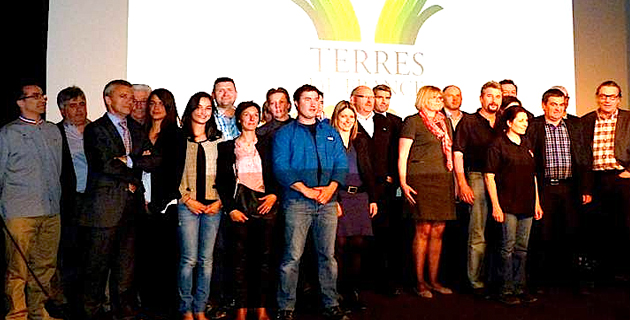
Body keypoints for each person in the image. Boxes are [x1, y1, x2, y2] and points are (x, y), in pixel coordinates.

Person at [78, 79, 160, 320]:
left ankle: (123, 312)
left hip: (131, 209)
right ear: (108, 99)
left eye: (132, 97)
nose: (131, 101)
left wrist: (130, 160)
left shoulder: (136, 127)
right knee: (97, 266)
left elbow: (155, 159)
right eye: (124, 96)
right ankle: (90, 312)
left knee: (126, 266)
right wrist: (133, 175)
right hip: (105, 209)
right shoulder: (95, 129)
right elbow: (104, 164)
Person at [273, 84, 348, 320]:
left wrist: (332, 188)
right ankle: (286, 307)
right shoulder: (286, 133)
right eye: (307, 99)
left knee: (328, 257)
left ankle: (331, 304)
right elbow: (281, 167)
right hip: (297, 203)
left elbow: (341, 164)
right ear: (296, 104)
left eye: (316, 99)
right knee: (292, 257)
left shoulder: (330, 131)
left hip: (327, 202)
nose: (313, 103)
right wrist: (306, 190)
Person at [1, 83, 63, 320]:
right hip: (19, 211)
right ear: (20, 102)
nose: (42, 100)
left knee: (45, 265)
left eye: (43, 96)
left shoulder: (52, 130)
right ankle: (17, 313)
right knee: (18, 268)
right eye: (35, 96)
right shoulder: (8, 133)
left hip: (50, 209)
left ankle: (38, 310)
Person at [526, 89, 592, 293]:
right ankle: (541, 281)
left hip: (570, 188)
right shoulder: (534, 125)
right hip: (544, 188)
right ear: (544, 105)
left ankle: (573, 281)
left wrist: (586, 188)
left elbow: (584, 157)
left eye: (561, 104)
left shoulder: (574, 124)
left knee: (571, 234)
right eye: (553, 104)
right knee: (543, 235)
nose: (557, 108)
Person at [216, 101, 278, 320]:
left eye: (255, 114)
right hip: (239, 208)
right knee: (238, 260)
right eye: (246, 114)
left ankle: (261, 309)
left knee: (264, 260)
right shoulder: (226, 147)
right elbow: (222, 182)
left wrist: (274, 194)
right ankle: (240, 309)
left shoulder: (269, 144)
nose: (251, 118)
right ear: (239, 119)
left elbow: (279, 173)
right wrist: (231, 208)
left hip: (265, 206)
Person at [398, 86, 456, 298]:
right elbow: (402, 155)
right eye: (434, 97)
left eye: (440, 97)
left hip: (443, 178)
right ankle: (419, 281)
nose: (439, 100)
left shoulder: (445, 121)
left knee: (439, 230)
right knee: (422, 230)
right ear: (423, 98)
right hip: (420, 179)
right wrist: (403, 183)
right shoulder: (412, 121)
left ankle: (434, 280)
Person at [484, 105, 543, 305]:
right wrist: (495, 206)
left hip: (526, 203)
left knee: (522, 248)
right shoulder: (497, 144)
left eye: (526, 120)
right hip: (507, 203)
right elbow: (489, 177)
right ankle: (505, 289)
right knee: (506, 248)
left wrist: (537, 203)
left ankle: (520, 287)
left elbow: (533, 176)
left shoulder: (527, 143)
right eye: (520, 120)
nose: (525, 124)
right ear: (509, 122)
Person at [174, 92, 223, 320]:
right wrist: (186, 199)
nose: (203, 112)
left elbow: (228, 177)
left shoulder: (219, 140)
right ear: (191, 109)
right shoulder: (179, 140)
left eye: (208, 108)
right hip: (188, 206)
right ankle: (186, 308)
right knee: (188, 260)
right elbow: (171, 176)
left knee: (206, 261)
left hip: (214, 207)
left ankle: (201, 308)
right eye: (199, 107)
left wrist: (220, 201)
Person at [136, 88, 183, 319]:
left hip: (164, 206)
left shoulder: (175, 134)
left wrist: (157, 203)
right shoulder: (140, 131)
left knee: (165, 259)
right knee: (145, 259)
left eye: (161, 104)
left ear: (169, 107)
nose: (156, 108)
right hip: (140, 203)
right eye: (152, 103)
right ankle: (148, 306)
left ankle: (166, 308)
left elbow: (174, 172)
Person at [350, 85, 399, 296]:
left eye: (372, 97)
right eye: (365, 97)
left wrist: (390, 177)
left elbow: (393, 152)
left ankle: (384, 281)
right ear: (353, 100)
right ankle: (355, 285)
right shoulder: (347, 122)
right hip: (357, 190)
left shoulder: (386, 122)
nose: (370, 101)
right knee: (357, 239)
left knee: (384, 236)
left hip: (383, 189)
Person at [453, 81, 501, 295]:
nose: (493, 100)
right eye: (489, 96)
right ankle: (476, 281)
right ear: (481, 98)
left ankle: (498, 279)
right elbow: (458, 153)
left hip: (502, 181)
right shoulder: (469, 121)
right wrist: (462, 183)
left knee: (501, 233)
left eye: (497, 96)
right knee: (478, 231)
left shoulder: (504, 122)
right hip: (477, 178)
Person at [330, 100, 377, 311]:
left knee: (357, 246)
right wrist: (334, 201)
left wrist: (373, 198)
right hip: (338, 196)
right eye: (343, 116)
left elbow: (368, 169)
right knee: (339, 247)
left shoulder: (360, 140)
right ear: (336, 118)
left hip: (360, 197)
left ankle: (353, 292)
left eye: (351, 117)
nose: (348, 120)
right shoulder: (328, 140)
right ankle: (336, 293)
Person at [581, 80, 630, 283]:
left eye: (612, 96)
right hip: (596, 180)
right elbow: (582, 154)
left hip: (621, 178)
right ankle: (603, 272)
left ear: (619, 99)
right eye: (603, 95)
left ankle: (624, 270)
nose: (607, 100)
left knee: (624, 225)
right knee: (598, 227)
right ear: (597, 97)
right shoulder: (586, 121)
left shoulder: (628, 119)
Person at [51, 85, 90, 311]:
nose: (79, 110)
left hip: (95, 200)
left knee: (93, 254)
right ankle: (64, 299)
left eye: (82, 104)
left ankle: (90, 299)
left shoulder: (99, 130)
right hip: (68, 201)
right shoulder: (54, 133)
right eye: (72, 106)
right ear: (62, 110)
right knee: (67, 252)